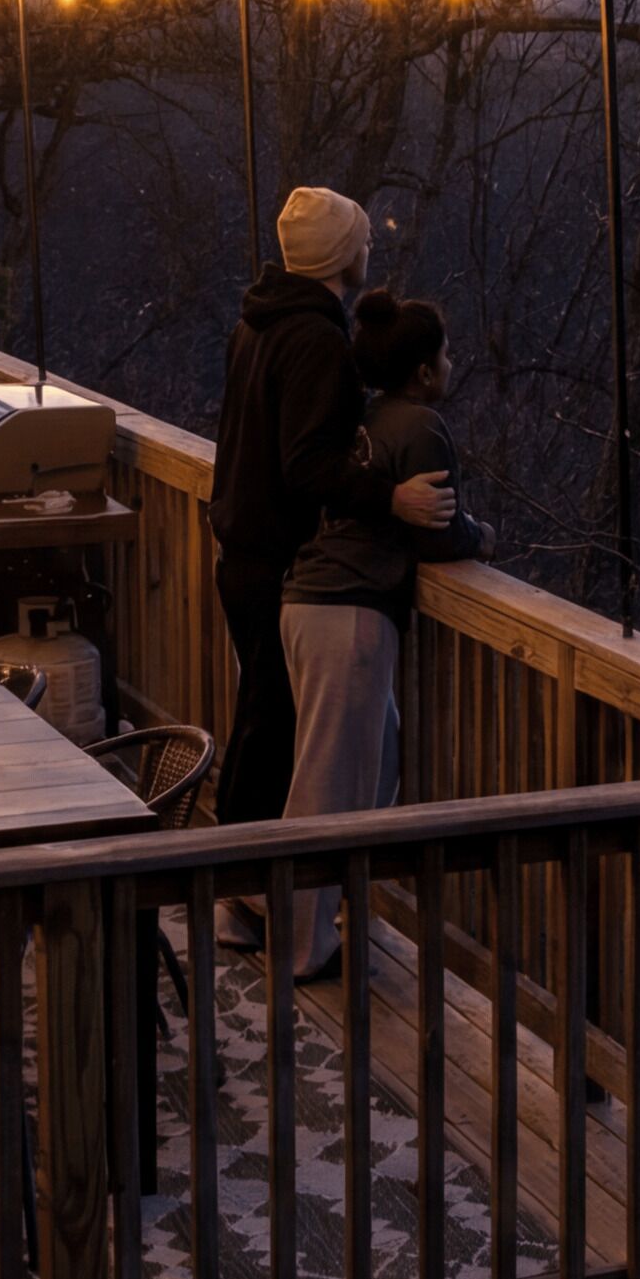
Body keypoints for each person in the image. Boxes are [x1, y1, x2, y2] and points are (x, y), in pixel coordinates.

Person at [209, 188, 454, 871]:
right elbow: (307, 465)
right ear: (340, 251)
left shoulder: (256, 324)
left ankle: (240, 884)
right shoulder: (315, 338)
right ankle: (240, 888)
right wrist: (392, 498)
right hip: (275, 558)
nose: (370, 249)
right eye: (363, 239)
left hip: (241, 548)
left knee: (262, 722)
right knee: (272, 732)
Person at [275, 292, 485, 976]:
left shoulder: (364, 418)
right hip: (353, 614)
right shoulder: (421, 427)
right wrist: (485, 536)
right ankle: (303, 948)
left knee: (375, 766)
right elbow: (440, 533)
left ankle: (340, 915)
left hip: (308, 600)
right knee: (327, 791)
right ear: (425, 371)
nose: (451, 363)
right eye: (446, 354)